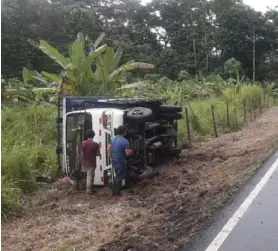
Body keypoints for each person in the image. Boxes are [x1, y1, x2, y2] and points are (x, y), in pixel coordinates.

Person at [108, 125, 132, 196]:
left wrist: (111, 157)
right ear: (125, 132)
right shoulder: (125, 141)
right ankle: (116, 193)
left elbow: (108, 148)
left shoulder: (112, 138)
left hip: (114, 160)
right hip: (121, 161)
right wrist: (131, 151)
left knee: (117, 175)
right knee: (119, 176)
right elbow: (127, 153)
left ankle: (113, 192)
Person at [82, 129, 100, 194]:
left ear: (86, 136)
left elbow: (81, 152)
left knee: (88, 176)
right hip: (92, 162)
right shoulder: (95, 144)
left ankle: (90, 189)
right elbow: (98, 154)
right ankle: (89, 191)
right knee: (90, 177)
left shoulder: (83, 143)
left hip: (85, 162)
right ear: (93, 136)